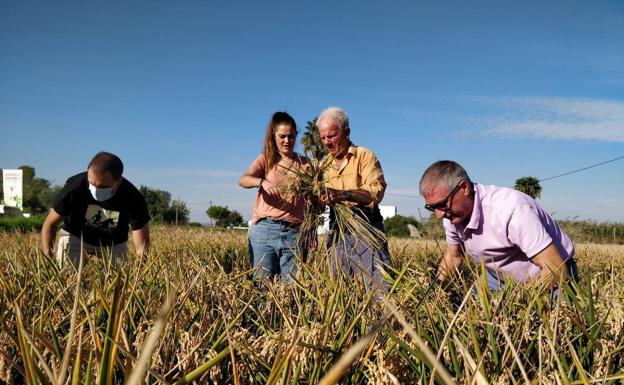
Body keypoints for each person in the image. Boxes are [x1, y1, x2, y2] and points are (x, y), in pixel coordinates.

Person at [419, 160, 579, 292]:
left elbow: (556, 270)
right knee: (472, 316)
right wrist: (435, 290)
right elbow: (454, 256)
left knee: (546, 324)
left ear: (464, 188)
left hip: (548, 275)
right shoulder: (452, 215)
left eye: (441, 205)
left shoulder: (509, 209)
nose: (439, 215)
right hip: (497, 276)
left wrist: (514, 302)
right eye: (432, 207)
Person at [316, 106, 392, 292]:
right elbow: (319, 202)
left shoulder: (365, 156)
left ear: (346, 132)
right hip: (337, 231)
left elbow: (374, 194)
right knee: (338, 291)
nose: (327, 142)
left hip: (366, 227)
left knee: (380, 289)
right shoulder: (324, 165)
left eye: (331, 136)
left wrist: (342, 194)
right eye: (323, 138)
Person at [41, 152, 150, 266]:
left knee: (119, 281)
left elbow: (141, 247)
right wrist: (48, 261)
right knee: (67, 276)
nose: (96, 190)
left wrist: (141, 272)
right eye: (91, 183)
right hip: (76, 238)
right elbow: (50, 224)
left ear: (118, 181)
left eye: (103, 187)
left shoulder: (134, 198)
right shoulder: (74, 187)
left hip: (114, 244)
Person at [239, 112, 309, 283]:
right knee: (263, 286)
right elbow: (243, 180)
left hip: (294, 232)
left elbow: (315, 197)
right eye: (282, 136)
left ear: (296, 136)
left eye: (291, 136)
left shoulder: (305, 163)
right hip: (265, 230)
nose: (287, 140)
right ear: (274, 136)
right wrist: (263, 182)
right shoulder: (266, 159)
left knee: (292, 288)